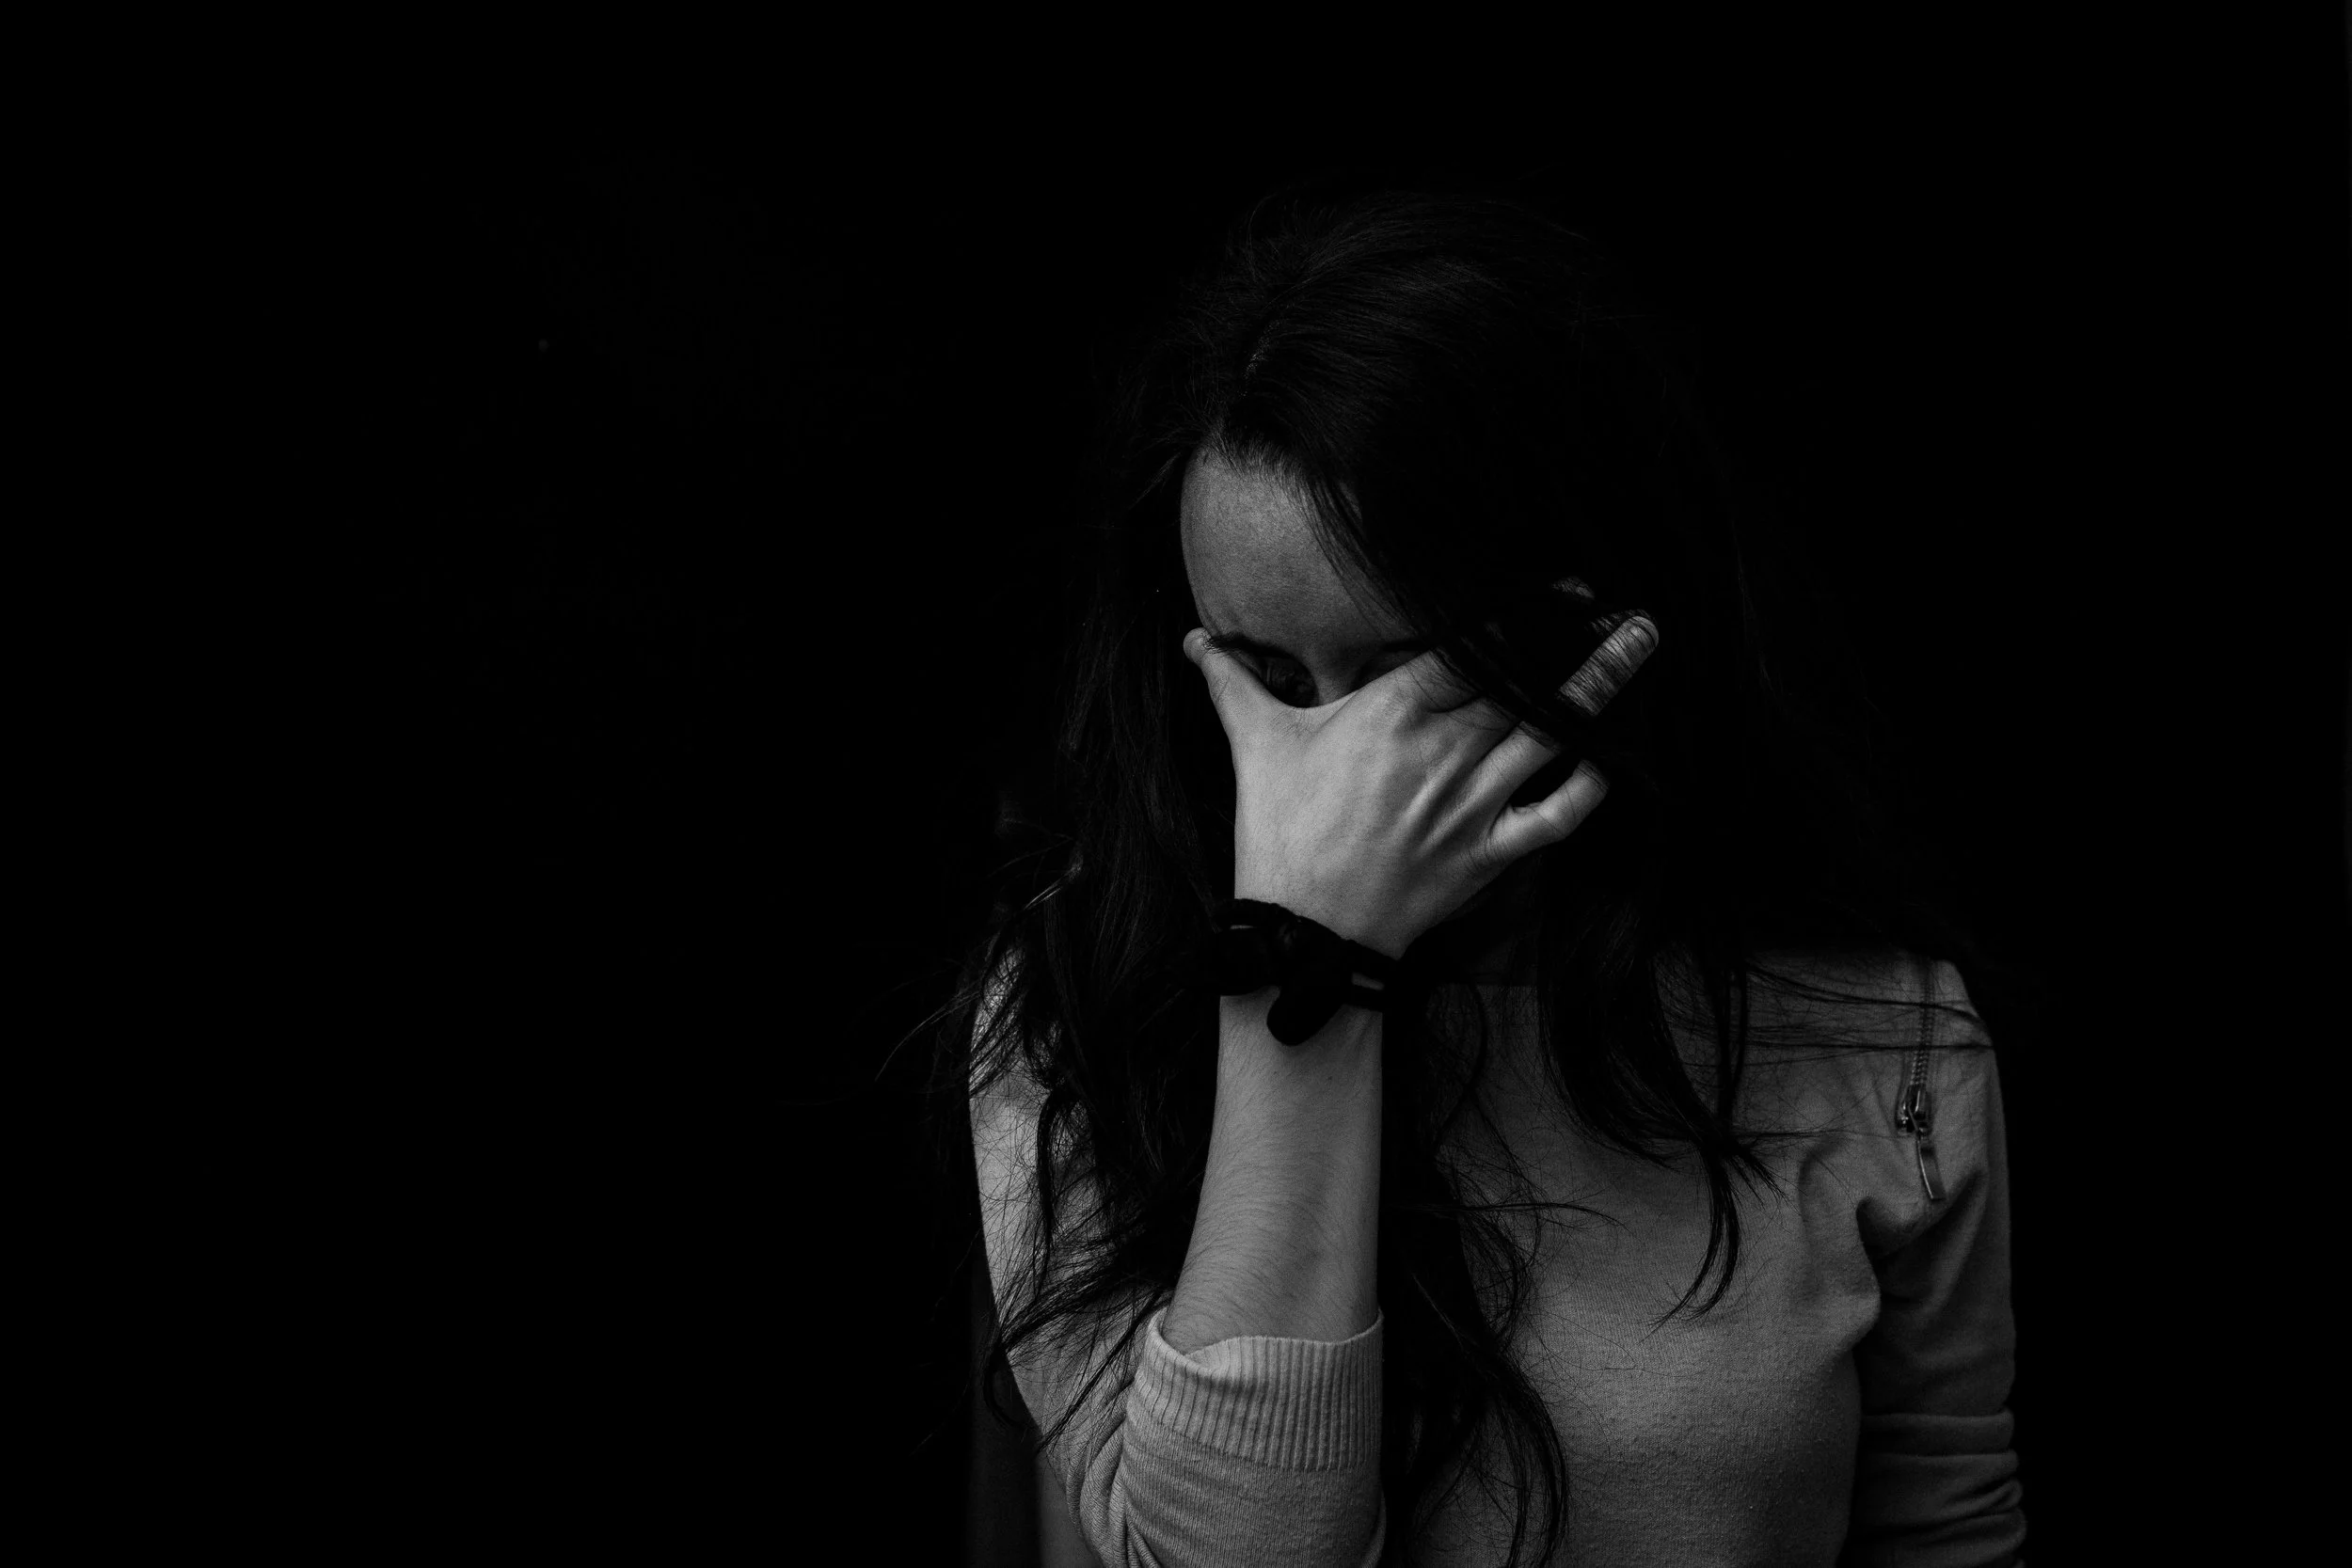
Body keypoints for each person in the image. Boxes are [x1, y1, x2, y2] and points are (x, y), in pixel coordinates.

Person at [943, 185, 2026, 1567]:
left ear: (1596, 635)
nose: (1329, 776)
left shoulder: (1875, 1027)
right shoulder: (1078, 1005)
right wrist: (1307, 954)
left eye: (1400, 683)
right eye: (1270, 683)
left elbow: (1944, 1524)